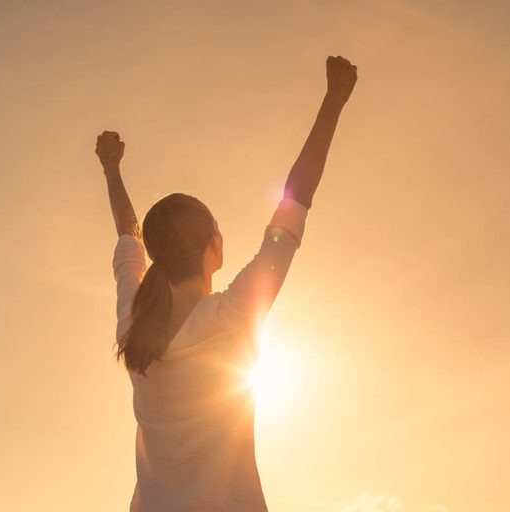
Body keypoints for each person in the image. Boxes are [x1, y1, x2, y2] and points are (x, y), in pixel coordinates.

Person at [97, 55, 358, 512]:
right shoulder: (233, 315)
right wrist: (334, 101)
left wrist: (111, 167)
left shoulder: (134, 328)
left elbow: (126, 238)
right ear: (213, 246)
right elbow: (297, 202)